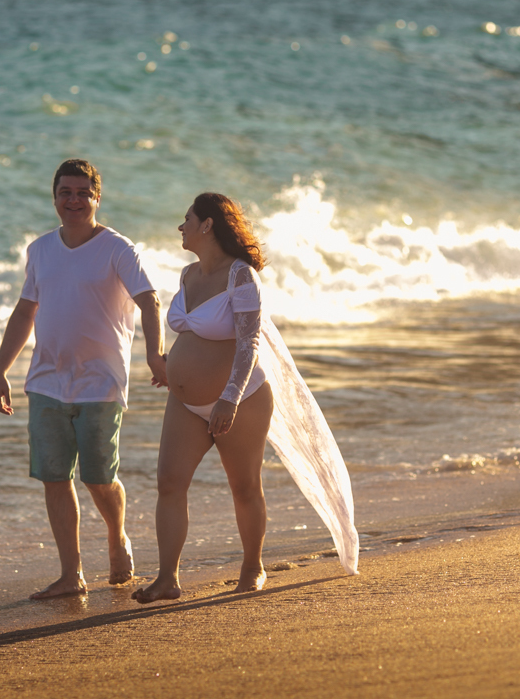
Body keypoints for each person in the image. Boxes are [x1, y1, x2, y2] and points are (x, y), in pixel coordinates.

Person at [132, 193, 358, 604]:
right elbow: (192, 332)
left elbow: (249, 342)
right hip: (185, 403)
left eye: (187, 219)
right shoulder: (188, 274)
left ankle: (253, 567)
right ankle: (167, 579)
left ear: (207, 225)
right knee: (169, 482)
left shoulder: (241, 276)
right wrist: (172, 368)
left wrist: (229, 398)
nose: (181, 227)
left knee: (244, 487)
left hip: (241, 399)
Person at [0, 159, 168, 600]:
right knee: (54, 477)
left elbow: (149, 301)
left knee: (98, 478)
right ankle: (71, 574)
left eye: (82, 193)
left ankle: (117, 535)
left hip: (101, 383)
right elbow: (25, 311)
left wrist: (154, 355)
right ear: (54, 197)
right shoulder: (40, 250)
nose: (73, 200)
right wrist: (1, 369)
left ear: (97, 198)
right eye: (65, 193)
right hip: (46, 381)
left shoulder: (118, 249)